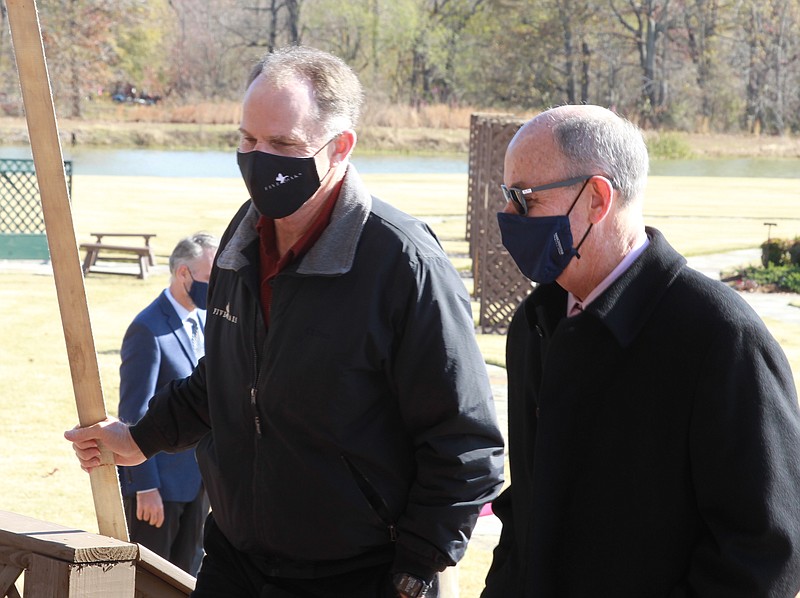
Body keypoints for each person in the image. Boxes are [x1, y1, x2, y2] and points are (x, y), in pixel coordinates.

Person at [65, 45, 504, 598]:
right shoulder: (239, 241)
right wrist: (142, 438)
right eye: (247, 140)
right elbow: (226, 377)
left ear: (340, 146)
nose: (259, 159)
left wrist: (415, 571)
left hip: (359, 574)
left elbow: (465, 445)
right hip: (233, 559)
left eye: (282, 144)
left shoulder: (402, 263)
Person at [481, 104, 800, 596]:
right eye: (507, 196)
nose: (508, 216)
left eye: (523, 198)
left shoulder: (719, 337)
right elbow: (526, 509)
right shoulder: (536, 323)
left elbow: (764, 553)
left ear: (596, 198)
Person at [117, 232, 218, 576]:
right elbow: (133, 412)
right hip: (159, 490)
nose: (216, 286)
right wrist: (144, 486)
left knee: (188, 576)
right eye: (209, 278)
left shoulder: (208, 323)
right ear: (183, 274)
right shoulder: (147, 330)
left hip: (200, 484)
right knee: (152, 580)